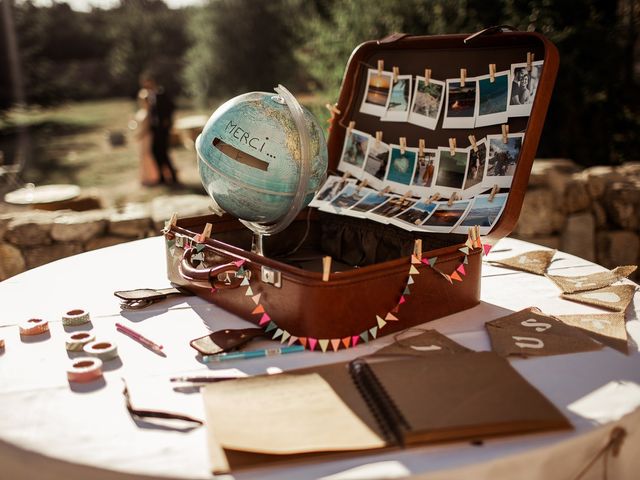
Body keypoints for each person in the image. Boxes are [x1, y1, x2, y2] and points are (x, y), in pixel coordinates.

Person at [139, 72, 179, 185]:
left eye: (148, 83)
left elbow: (171, 107)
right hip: (155, 129)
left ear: (152, 82)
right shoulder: (149, 96)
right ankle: (161, 176)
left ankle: (173, 176)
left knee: (164, 152)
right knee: (155, 152)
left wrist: (167, 120)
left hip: (163, 129)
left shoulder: (162, 93)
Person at [133, 88, 160, 186]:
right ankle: (145, 177)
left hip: (146, 137)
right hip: (141, 137)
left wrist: (138, 135)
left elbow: (147, 128)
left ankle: (152, 177)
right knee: (142, 157)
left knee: (147, 156)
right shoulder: (141, 111)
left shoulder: (149, 112)